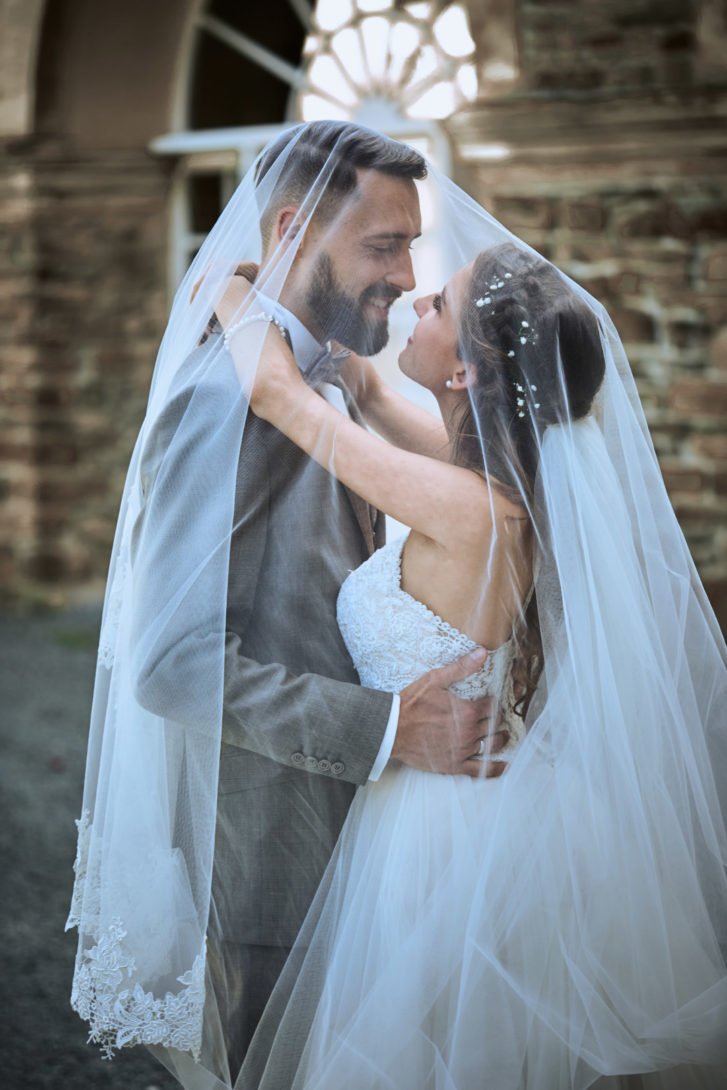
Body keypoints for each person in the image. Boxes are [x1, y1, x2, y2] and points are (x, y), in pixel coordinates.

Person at [218, 235, 727, 1089]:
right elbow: (371, 392)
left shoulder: (471, 510)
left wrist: (229, 287)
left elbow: (277, 396)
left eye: (439, 304)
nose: (417, 301)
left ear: (464, 374)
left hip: (445, 837)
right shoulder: (497, 485)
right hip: (498, 803)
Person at [65, 122, 511, 1089]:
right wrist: (387, 727)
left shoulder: (327, 374)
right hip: (267, 859)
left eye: (410, 245)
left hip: (368, 845)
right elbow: (169, 662)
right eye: (382, 245)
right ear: (292, 226)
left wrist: (237, 294)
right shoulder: (221, 403)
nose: (403, 272)